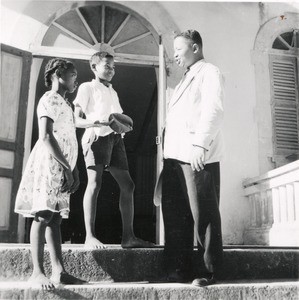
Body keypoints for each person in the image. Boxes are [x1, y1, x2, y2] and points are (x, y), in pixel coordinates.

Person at [155, 30, 224, 287]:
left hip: (196, 155)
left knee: (203, 214)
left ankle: (209, 271)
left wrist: (200, 145)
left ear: (195, 48)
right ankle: (177, 269)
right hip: (175, 157)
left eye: (178, 50)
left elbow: (213, 110)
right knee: (175, 215)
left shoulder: (209, 72)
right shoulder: (185, 79)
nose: (174, 56)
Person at [15, 58, 85, 289]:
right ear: (57, 74)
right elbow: (46, 136)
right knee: (43, 215)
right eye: (72, 74)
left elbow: (70, 139)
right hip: (50, 164)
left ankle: (59, 271)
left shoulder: (67, 104)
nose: (76, 78)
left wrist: (73, 168)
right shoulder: (49, 99)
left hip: (63, 166)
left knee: (55, 219)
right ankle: (37, 272)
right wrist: (66, 167)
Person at [74, 48, 153, 249]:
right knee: (95, 183)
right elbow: (75, 119)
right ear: (94, 67)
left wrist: (122, 126)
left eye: (114, 67)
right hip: (95, 138)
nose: (111, 70)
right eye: (106, 66)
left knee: (128, 186)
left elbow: (118, 119)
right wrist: (95, 122)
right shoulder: (86, 88)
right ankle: (89, 237)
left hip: (115, 140)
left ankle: (128, 237)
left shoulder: (113, 91)